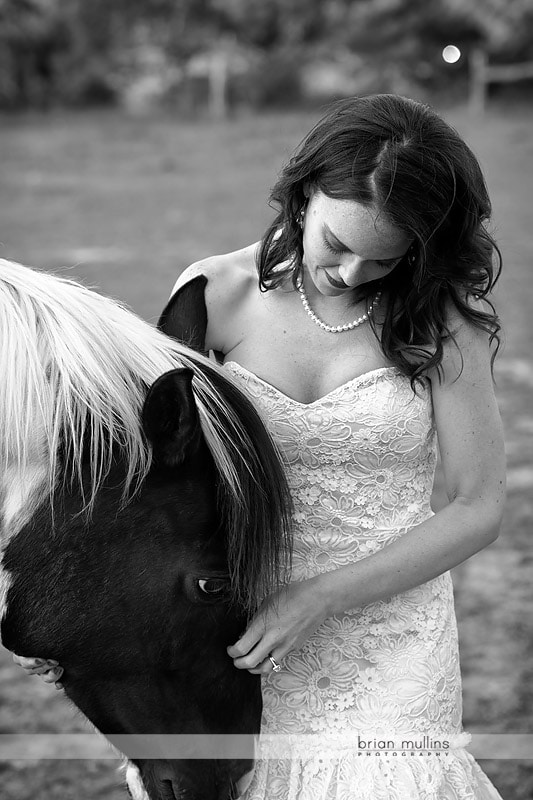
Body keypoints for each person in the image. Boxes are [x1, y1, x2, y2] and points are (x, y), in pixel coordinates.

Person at [15, 94, 506, 798]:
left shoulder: (442, 323)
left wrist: (321, 598)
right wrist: (79, 615)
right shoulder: (213, 295)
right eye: (338, 245)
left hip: (385, 634)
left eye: (384, 259)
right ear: (303, 194)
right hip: (222, 631)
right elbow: (148, 475)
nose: (350, 274)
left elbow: (476, 505)